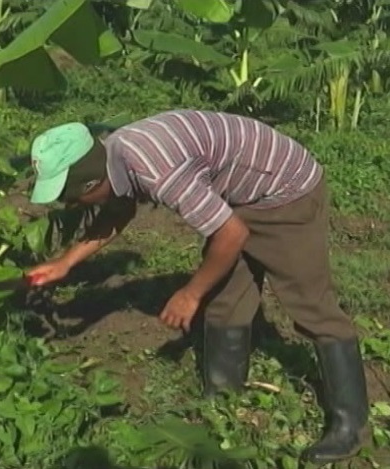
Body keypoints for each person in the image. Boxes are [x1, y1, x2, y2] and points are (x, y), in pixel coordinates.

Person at [25, 110, 369, 465]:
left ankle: (351, 424)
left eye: (72, 199)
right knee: (225, 301)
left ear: (89, 185)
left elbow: (231, 234)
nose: (71, 207)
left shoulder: (155, 168)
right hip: (238, 198)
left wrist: (189, 294)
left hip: (285, 191)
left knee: (311, 307)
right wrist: (65, 263)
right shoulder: (114, 155)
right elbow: (118, 212)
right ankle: (222, 401)